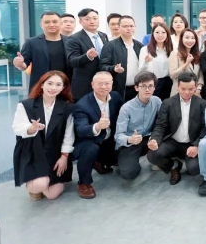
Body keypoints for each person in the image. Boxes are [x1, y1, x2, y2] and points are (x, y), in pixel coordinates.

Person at [12, 71, 75, 201]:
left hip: (54, 153)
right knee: (39, 185)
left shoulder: (67, 107)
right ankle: (35, 186)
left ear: (63, 88)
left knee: (52, 195)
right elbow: (17, 128)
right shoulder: (26, 105)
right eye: (49, 83)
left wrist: (64, 156)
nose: (53, 88)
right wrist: (31, 128)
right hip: (33, 151)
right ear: (42, 85)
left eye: (58, 85)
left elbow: (69, 135)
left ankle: (44, 182)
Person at [147, 72, 206, 188]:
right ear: (177, 87)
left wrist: (197, 145)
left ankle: (188, 161)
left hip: (191, 143)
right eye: (183, 89)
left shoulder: (202, 103)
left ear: (195, 87)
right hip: (172, 141)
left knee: (194, 170)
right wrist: (155, 139)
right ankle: (173, 166)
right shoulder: (167, 103)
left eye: (190, 89)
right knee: (153, 155)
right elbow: (160, 125)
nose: (186, 92)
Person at [72, 71, 124, 199]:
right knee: (90, 150)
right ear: (92, 84)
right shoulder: (82, 105)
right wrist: (97, 126)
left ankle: (99, 162)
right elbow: (81, 129)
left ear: (112, 84)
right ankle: (84, 183)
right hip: (88, 140)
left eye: (107, 83)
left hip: (108, 138)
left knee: (120, 154)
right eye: (100, 83)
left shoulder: (115, 97)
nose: (103, 87)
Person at [114, 71, 162, 180]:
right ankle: (128, 162)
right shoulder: (126, 108)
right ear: (136, 88)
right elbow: (118, 136)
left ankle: (155, 159)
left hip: (148, 138)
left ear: (154, 88)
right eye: (143, 86)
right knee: (129, 174)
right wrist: (130, 139)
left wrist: (155, 138)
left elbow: (162, 123)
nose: (147, 89)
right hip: (131, 141)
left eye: (150, 86)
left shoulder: (157, 101)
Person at [13, 12, 71, 91]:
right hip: (41, 87)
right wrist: (19, 64)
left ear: (61, 23)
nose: (51, 25)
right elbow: (24, 65)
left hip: (67, 86)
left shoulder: (71, 41)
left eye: (55, 22)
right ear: (41, 25)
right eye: (47, 22)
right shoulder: (31, 43)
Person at [66, 8, 110, 101]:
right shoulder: (74, 39)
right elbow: (72, 61)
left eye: (95, 18)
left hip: (103, 82)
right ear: (80, 21)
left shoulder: (103, 36)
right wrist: (87, 56)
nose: (92, 21)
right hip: (84, 84)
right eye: (87, 19)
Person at [99, 15, 143, 102]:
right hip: (119, 90)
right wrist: (113, 68)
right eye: (125, 26)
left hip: (137, 89)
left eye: (131, 26)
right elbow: (102, 66)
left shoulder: (140, 46)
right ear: (119, 27)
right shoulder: (110, 46)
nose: (129, 28)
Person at [138, 23, 173, 100]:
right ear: (153, 34)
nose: (160, 35)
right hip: (153, 82)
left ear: (167, 34)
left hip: (168, 82)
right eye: (157, 32)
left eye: (163, 32)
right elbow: (140, 70)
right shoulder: (145, 49)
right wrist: (146, 62)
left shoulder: (171, 49)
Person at [169, 29, 204, 97]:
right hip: (179, 93)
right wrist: (186, 64)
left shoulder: (197, 54)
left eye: (193, 38)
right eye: (187, 37)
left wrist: (199, 88)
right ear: (181, 39)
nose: (190, 40)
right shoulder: (174, 54)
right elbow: (173, 75)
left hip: (195, 93)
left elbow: (200, 74)